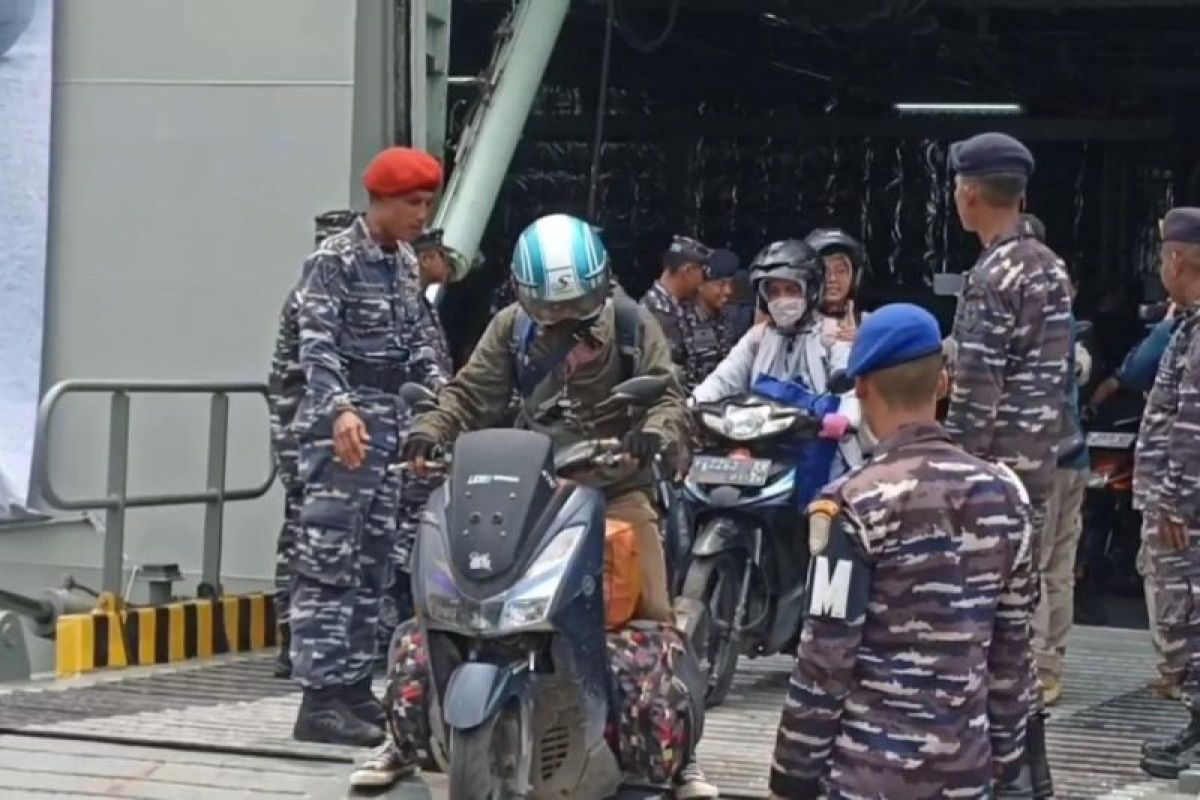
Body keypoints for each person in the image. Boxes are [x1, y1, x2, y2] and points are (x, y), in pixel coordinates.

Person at [399, 213, 717, 798]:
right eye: (550, 309)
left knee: (649, 610)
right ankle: (405, 734)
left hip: (614, 487)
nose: (565, 318)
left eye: (575, 306)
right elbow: (469, 395)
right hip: (532, 486)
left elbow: (668, 397)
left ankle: (678, 745)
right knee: (455, 595)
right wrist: (429, 428)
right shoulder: (510, 329)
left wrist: (657, 435)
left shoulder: (630, 323)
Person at [767, 303, 1037, 800]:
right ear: (943, 384)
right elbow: (1012, 657)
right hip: (967, 775)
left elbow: (824, 661)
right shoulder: (1006, 494)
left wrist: (791, 776)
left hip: (866, 778)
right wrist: (1010, 764)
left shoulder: (850, 505)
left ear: (862, 388)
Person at [289, 146, 448, 747]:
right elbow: (318, 346)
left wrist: (439, 398)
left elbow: (419, 343)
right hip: (345, 428)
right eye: (412, 202)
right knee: (328, 560)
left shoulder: (405, 262)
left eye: (428, 202)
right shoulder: (333, 262)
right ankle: (318, 697)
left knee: (373, 561)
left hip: (390, 424)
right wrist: (340, 410)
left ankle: (354, 686)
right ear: (379, 200)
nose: (421, 213)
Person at [944, 132, 1072, 550]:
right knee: (1020, 592)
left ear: (970, 193)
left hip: (992, 473)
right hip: (1037, 461)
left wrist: (958, 472)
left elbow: (978, 387)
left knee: (976, 597)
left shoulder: (992, 277)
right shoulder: (1050, 265)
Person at [692, 239, 863, 503]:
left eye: (790, 290)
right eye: (774, 291)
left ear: (811, 291)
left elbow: (851, 391)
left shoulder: (833, 337)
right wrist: (693, 404)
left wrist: (845, 418)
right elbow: (722, 379)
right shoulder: (758, 338)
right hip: (763, 452)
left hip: (821, 456)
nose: (782, 299)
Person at [265, 214, 357, 680]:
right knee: (306, 536)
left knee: (311, 533)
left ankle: (305, 642)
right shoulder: (313, 295)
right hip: (304, 430)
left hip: (317, 430)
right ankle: (293, 639)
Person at [1135, 207, 1200, 779]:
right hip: (1182, 503)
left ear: (1178, 260)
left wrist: (1177, 500)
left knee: (1190, 618)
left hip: (1190, 510)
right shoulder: (1189, 323)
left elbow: (1192, 425)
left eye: (1163, 257)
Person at [375, 227, 457, 660]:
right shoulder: (402, 307)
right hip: (405, 436)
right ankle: (387, 632)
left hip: (420, 430)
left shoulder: (422, 308)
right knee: (397, 534)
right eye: (439, 255)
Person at [1017, 213, 1089, 706]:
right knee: (1056, 568)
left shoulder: (1031, 312)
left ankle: (1037, 672)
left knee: (1035, 568)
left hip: (1041, 463)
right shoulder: (1061, 310)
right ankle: (1048, 667)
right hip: (1072, 457)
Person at [641, 235, 713, 367]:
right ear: (688, 271)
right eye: (703, 275)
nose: (703, 282)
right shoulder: (651, 313)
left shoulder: (689, 307)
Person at [682, 248, 740, 391]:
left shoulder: (728, 317)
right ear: (701, 285)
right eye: (721, 284)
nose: (728, 291)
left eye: (730, 284)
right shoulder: (682, 319)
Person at [805, 227, 866, 349]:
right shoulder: (793, 328)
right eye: (824, 271)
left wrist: (865, 342)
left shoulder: (870, 325)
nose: (832, 278)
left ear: (854, 277)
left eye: (841, 271)